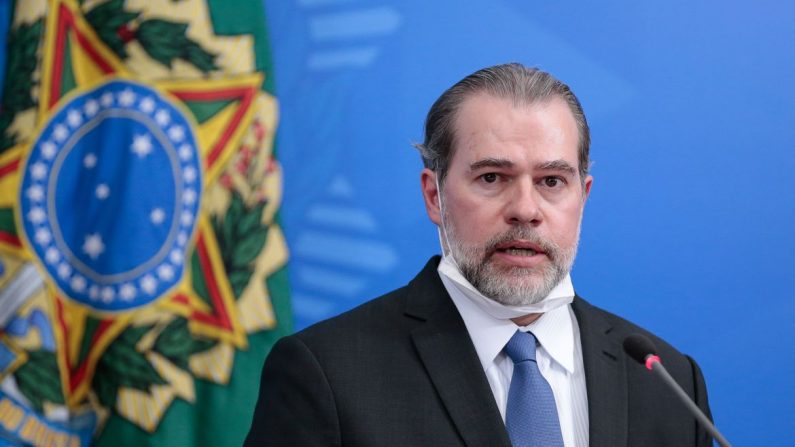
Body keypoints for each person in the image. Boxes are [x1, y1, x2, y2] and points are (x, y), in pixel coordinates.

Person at [244, 63, 714, 447]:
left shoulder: (668, 382)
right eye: (492, 177)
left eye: (552, 181)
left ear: (583, 196)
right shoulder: (327, 374)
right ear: (434, 195)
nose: (525, 210)